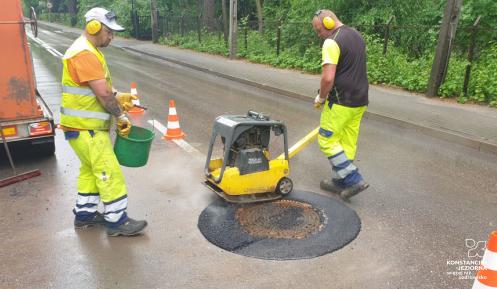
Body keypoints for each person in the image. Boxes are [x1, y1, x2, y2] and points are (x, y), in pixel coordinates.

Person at [60, 7, 147, 236]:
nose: (111, 37)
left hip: (79, 129)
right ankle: (117, 222)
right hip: (87, 129)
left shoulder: (86, 50)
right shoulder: (84, 53)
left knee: (90, 172)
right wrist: (120, 114)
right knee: (109, 172)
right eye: (109, 32)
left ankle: (85, 216)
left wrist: (120, 97)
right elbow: (103, 95)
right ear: (94, 27)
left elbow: (101, 90)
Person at [312, 9, 370, 200]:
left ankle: (353, 179)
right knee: (346, 142)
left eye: (319, 30)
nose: (319, 35)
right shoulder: (356, 35)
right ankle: (340, 181)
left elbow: (328, 78)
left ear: (329, 22)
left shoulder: (332, 42)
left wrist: (321, 97)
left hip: (340, 101)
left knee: (327, 139)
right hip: (360, 100)